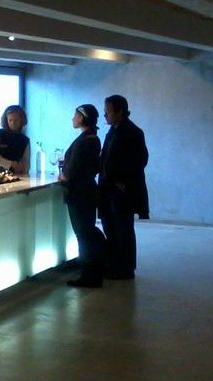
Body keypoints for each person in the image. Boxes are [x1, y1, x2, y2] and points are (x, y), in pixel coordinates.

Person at [99, 95, 149, 280]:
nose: (105, 114)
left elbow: (140, 160)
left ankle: (126, 268)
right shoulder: (113, 131)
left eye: (108, 111)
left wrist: (122, 182)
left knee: (123, 229)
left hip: (120, 191)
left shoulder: (132, 132)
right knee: (111, 227)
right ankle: (115, 264)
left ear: (119, 112)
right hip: (108, 188)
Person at [59, 104, 106, 288]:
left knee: (83, 233)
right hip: (87, 190)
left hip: (79, 193)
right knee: (87, 230)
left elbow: (71, 171)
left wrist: (63, 175)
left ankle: (89, 273)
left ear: (82, 118)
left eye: (75, 115)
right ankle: (94, 268)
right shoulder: (93, 138)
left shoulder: (85, 140)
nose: (73, 118)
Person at [0, 105, 31, 175]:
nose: (13, 123)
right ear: (6, 120)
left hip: (16, 176)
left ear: (22, 120)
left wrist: (0, 160)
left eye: (16, 120)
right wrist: (11, 164)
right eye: (10, 120)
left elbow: (26, 167)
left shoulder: (25, 140)